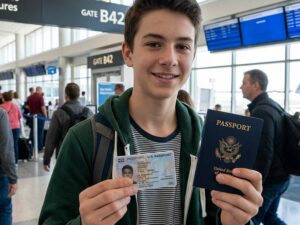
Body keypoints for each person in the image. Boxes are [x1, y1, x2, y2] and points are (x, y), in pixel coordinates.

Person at [39, 1, 263, 225]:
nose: (170, 59)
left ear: (193, 56)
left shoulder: (208, 141)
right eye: (154, 43)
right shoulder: (86, 139)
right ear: (128, 53)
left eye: (183, 46)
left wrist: (236, 221)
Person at [240, 69, 290, 225]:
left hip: (270, 181)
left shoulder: (261, 111)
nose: (240, 87)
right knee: (270, 218)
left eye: (244, 83)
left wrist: (254, 187)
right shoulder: (273, 106)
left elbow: (264, 152)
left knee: (249, 220)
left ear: (255, 85)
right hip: (282, 176)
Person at [43, 83, 93, 172]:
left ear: (66, 95)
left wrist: (47, 159)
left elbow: (51, 138)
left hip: (64, 154)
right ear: (78, 95)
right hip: (85, 155)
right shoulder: (88, 112)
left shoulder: (59, 113)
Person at [0, 108, 18, 225]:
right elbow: (6, 148)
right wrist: (13, 178)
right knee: (4, 210)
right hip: (0, 176)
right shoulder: (1, 114)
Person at [0, 92, 22, 164]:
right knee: (15, 144)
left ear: (3, 98)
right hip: (16, 127)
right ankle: (15, 161)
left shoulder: (1, 107)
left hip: (6, 128)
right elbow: (20, 116)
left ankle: (6, 162)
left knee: (6, 145)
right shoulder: (15, 105)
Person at [27, 86, 47, 151]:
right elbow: (43, 108)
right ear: (40, 90)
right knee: (40, 132)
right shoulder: (40, 97)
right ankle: (39, 147)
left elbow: (27, 106)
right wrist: (45, 116)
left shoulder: (30, 97)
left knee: (33, 132)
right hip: (39, 116)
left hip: (31, 116)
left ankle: (31, 146)